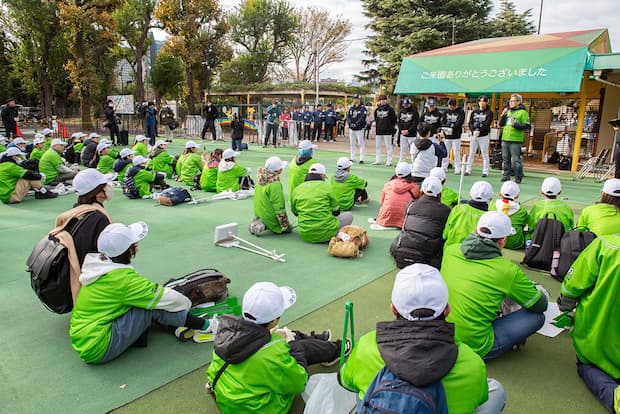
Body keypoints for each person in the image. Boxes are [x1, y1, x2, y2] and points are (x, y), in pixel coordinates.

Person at [339, 264, 506, 414]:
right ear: (447, 310)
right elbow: (480, 398)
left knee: (361, 387)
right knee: (496, 390)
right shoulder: (472, 363)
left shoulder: (366, 346)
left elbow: (346, 381)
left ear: (393, 309)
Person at [70, 222, 210, 364]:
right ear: (129, 250)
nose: (137, 245)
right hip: (98, 346)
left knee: (146, 302)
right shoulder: (122, 280)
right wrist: (188, 304)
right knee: (150, 307)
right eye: (134, 244)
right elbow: (174, 300)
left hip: (85, 338)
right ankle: (207, 327)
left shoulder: (99, 266)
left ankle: (177, 323)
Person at [206, 282, 346, 414]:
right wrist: (292, 345)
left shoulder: (226, 331)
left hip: (228, 401)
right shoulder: (274, 353)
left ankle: (321, 342)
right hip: (261, 409)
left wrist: (274, 337)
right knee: (300, 346)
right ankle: (337, 348)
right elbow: (299, 383)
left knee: (291, 337)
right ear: (273, 321)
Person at [441, 211, 547, 359]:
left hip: (443, 339)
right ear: (503, 240)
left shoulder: (451, 251)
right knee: (537, 317)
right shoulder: (507, 270)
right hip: (478, 347)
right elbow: (541, 305)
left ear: (475, 230)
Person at [557, 231, 620, 413]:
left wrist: (565, 305)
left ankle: (614, 397)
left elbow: (573, 286)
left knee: (587, 366)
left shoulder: (605, 245)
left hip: (596, 343)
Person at [390, 177, 451, 269]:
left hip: (402, 251)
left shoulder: (410, 205)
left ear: (422, 191)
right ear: (439, 194)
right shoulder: (446, 210)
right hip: (427, 257)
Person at [291, 163, 353, 243]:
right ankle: (336, 234)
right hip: (327, 233)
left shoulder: (297, 189)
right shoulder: (327, 187)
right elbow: (336, 211)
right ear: (322, 176)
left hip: (306, 235)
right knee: (349, 216)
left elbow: (295, 212)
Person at [443, 181, 494, 247]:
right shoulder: (489, 217)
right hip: (473, 254)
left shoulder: (458, 208)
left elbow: (445, 234)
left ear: (470, 194)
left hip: (449, 250)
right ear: (491, 197)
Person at [250, 156, 291, 236]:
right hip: (269, 215)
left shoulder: (260, 179)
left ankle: (259, 221)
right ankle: (266, 225)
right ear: (278, 170)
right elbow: (279, 207)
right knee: (287, 229)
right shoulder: (275, 184)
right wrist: (285, 224)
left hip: (258, 212)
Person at [374, 162, 420, 228]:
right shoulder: (415, 187)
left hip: (384, 218)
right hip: (405, 220)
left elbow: (382, 202)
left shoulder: (388, 184)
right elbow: (417, 202)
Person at [498, 94, 530, 183]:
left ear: (518, 102)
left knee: (516, 160)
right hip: (505, 138)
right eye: (510, 101)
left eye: (513, 101)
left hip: (515, 140)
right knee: (505, 158)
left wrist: (515, 125)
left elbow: (527, 126)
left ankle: (518, 176)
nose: (511, 103)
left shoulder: (523, 113)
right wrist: (503, 115)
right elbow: (501, 124)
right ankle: (506, 175)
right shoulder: (508, 111)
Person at [489, 181, 529, 250]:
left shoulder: (492, 204)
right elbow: (525, 225)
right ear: (517, 196)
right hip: (515, 244)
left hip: (494, 241)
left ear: (500, 194)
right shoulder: (522, 210)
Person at [467, 95, 494, 177]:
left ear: (486, 102)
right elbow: (470, 122)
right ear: (478, 102)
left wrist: (479, 131)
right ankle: (468, 169)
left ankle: (485, 171)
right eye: (480, 101)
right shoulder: (474, 112)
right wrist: (472, 130)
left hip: (484, 135)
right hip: (474, 135)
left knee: (484, 153)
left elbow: (487, 123)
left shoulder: (489, 112)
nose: (482, 103)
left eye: (484, 101)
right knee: (471, 152)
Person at [441, 98, 465, 174]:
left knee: (456, 152)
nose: (451, 108)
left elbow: (460, 122)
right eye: (449, 106)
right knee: (446, 152)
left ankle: (457, 167)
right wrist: (446, 128)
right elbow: (443, 121)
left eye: (452, 106)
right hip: (447, 135)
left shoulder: (460, 112)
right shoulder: (446, 112)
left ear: (455, 105)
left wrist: (452, 128)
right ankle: (444, 167)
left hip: (456, 135)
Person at [372, 94, 397, 166]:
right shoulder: (377, 110)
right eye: (381, 100)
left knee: (388, 146)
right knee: (378, 146)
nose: (382, 101)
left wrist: (391, 128)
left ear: (386, 100)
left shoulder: (390, 109)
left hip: (388, 131)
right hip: (379, 130)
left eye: (384, 99)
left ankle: (389, 161)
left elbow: (394, 119)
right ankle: (378, 160)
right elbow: (376, 119)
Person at [397, 97, 419, 162]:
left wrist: (409, 131)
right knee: (402, 150)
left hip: (412, 135)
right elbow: (398, 122)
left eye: (407, 104)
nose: (406, 106)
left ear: (410, 104)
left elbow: (415, 123)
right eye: (405, 104)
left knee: (413, 150)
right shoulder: (401, 111)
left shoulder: (415, 112)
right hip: (403, 134)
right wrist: (401, 130)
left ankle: (414, 162)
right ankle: (401, 162)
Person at [347, 94, 367, 164]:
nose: (355, 100)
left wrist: (356, 124)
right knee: (352, 143)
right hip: (352, 129)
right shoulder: (351, 108)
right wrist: (350, 124)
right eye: (354, 98)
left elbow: (362, 118)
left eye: (356, 98)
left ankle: (362, 158)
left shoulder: (362, 108)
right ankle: (352, 157)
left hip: (359, 129)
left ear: (359, 99)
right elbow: (348, 117)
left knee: (360, 143)